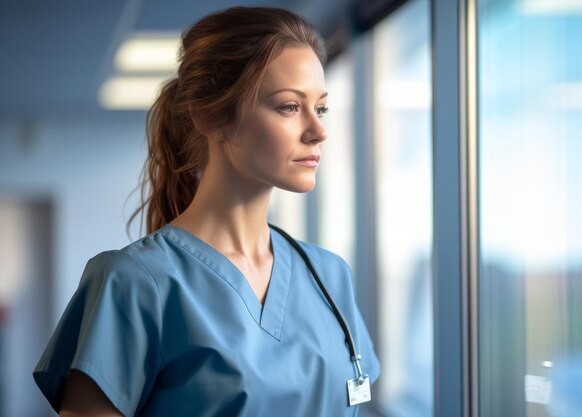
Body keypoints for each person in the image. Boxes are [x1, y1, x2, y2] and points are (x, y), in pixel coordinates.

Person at [33, 6, 380, 417]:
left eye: (320, 107)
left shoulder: (329, 275)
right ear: (212, 118)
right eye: (289, 106)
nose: (318, 130)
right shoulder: (133, 283)